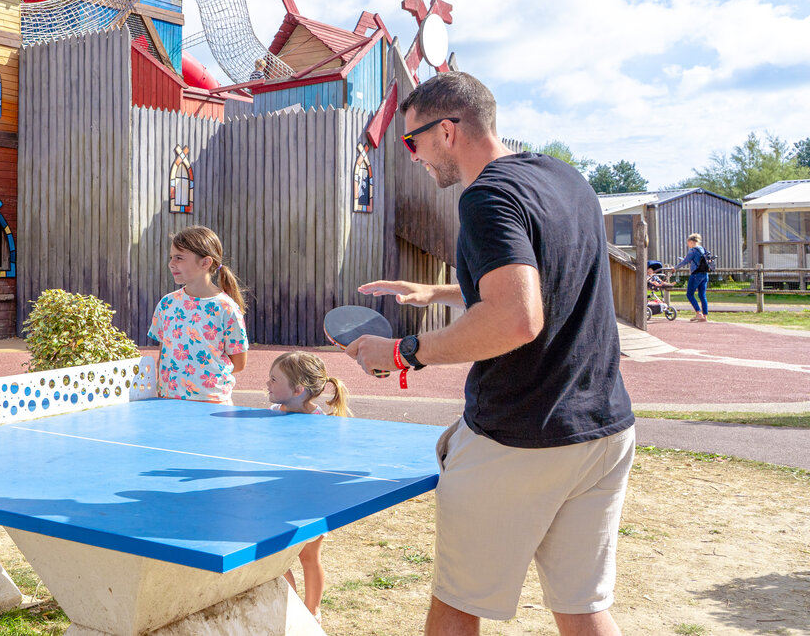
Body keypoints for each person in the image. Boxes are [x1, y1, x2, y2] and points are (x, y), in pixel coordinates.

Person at [346, 71, 635, 636]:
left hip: (521, 436)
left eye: (413, 142)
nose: (412, 157)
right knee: (582, 606)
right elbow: (545, 279)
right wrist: (440, 292)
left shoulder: (485, 198)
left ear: (447, 131)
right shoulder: (562, 177)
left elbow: (516, 318)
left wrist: (404, 352)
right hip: (604, 430)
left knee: (457, 603)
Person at [266, 351, 351, 623]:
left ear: (298, 389)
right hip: (279, 503)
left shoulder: (321, 424)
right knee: (277, 563)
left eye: (273, 379)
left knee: (309, 558)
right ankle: (295, 612)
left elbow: (327, 469)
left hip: (310, 504)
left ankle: (313, 612)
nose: (267, 383)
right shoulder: (270, 414)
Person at [147, 225, 248, 403]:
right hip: (169, 402)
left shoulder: (226, 308)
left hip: (211, 404)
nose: (171, 264)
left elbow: (239, 363)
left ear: (205, 262)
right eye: (171, 257)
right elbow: (164, 354)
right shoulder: (167, 304)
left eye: (179, 258)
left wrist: (201, 380)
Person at [674, 234, 710, 322]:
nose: (688, 245)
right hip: (705, 274)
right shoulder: (703, 249)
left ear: (691, 242)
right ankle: (705, 316)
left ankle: (698, 313)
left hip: (696, 275)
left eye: (688, 243)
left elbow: (685, 262)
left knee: (689, 294)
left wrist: (675, 268)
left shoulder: (692, 250)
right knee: (702, 295)